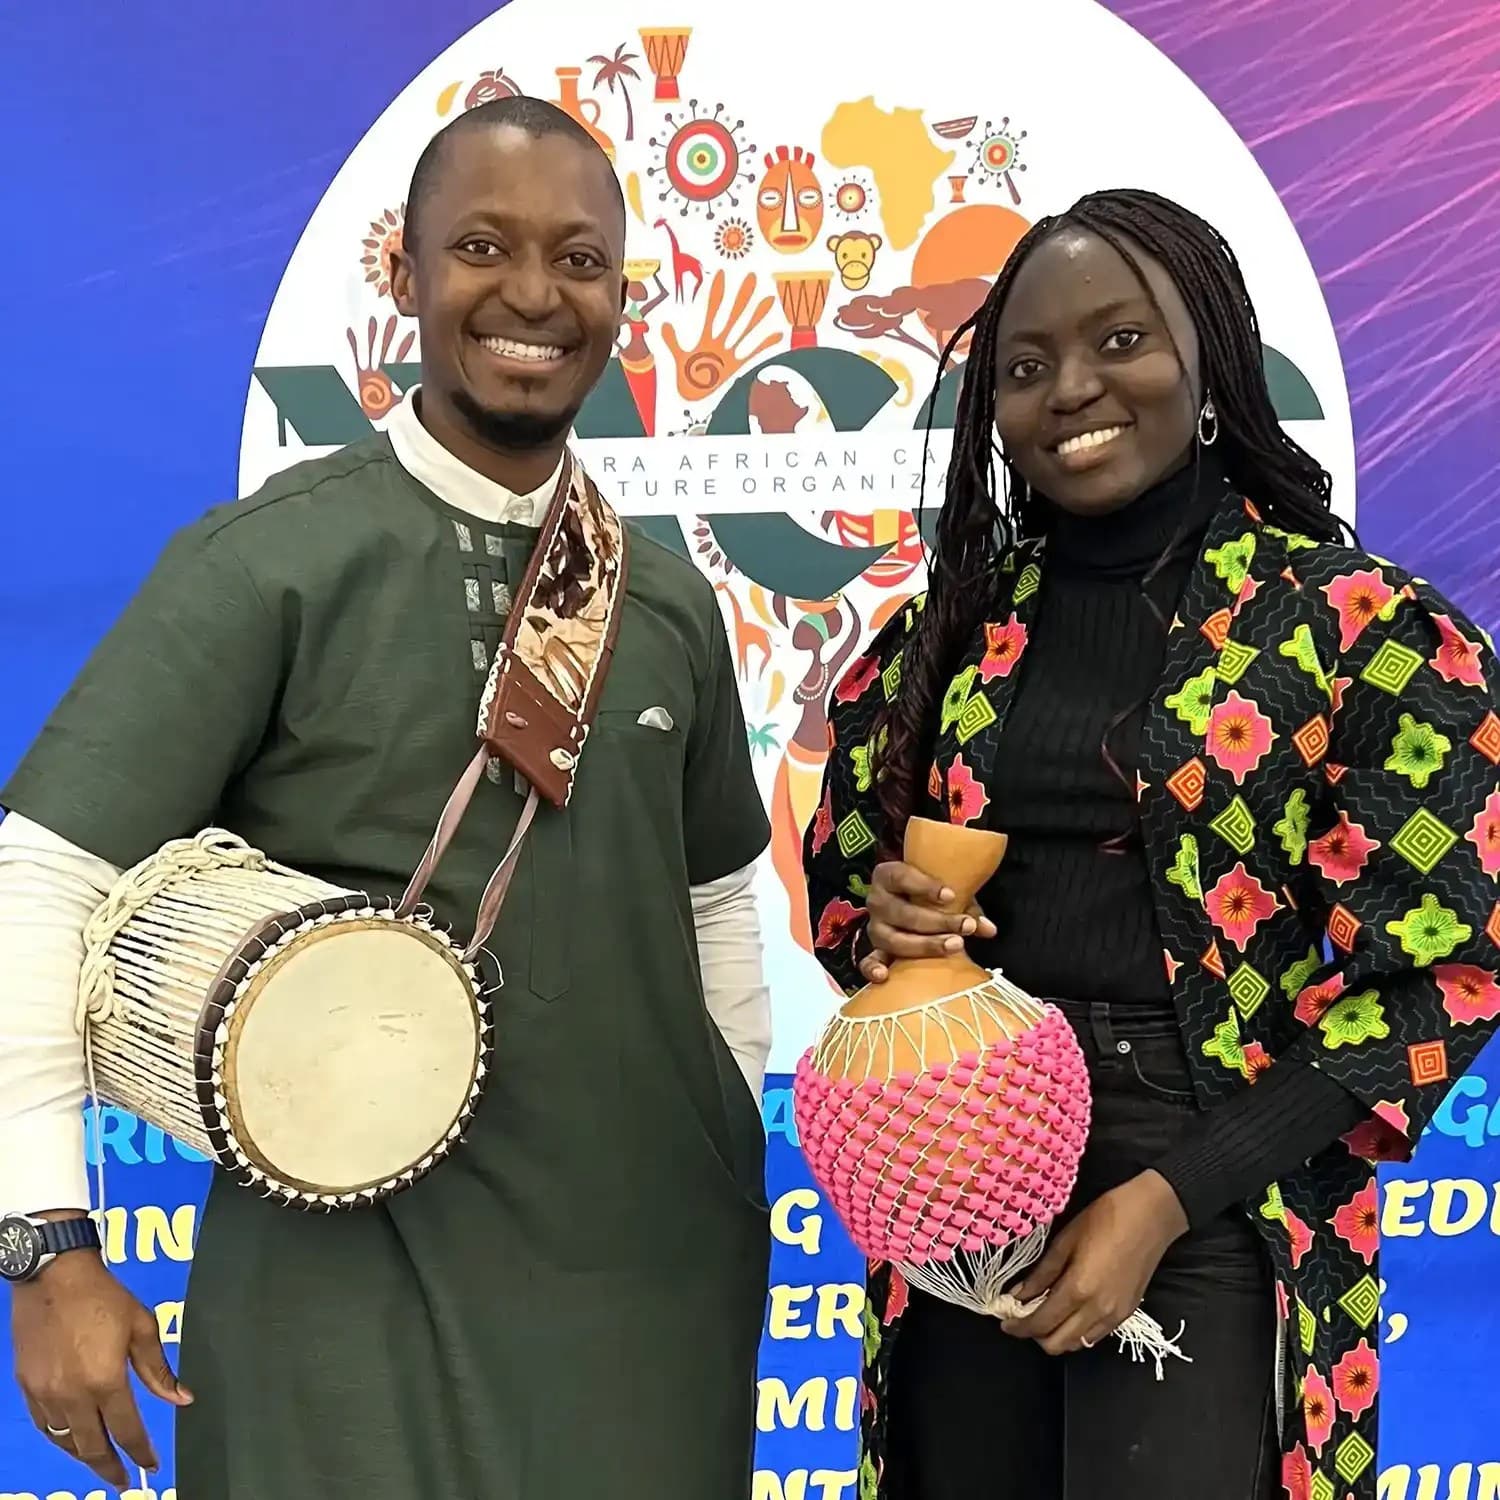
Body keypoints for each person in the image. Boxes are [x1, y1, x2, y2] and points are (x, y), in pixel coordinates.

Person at [0, 97, 773, 1500]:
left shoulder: (663, 602)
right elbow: (41, 876)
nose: (535, 295)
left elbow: (715, 895)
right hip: (343, 1298)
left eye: (581, 259)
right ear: (403, 276)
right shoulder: (271, 564)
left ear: (621, 292)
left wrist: (722, 1152)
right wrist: (46, 1247)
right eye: (483, 247)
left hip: (648, 1302)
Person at [804, 188, 1500, 1500]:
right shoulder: (948, 633)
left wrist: (1174, 1193)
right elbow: (849, 895)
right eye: (1026, 365)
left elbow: (1448, 978)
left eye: (1121, 342)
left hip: (1226, 1192)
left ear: (1214, 361)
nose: (1072, 387)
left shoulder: (1363, 631)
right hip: (966, 1181)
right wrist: (887, 918)